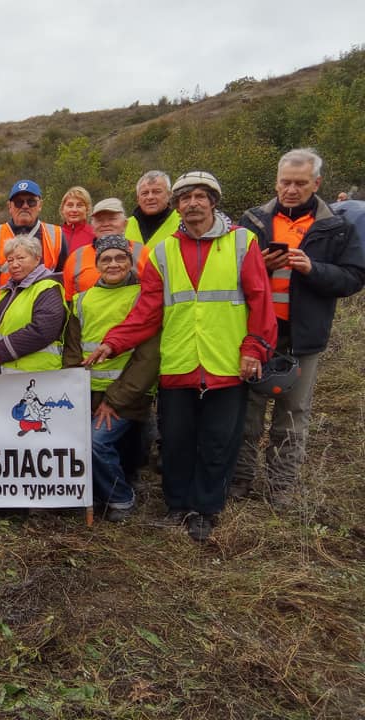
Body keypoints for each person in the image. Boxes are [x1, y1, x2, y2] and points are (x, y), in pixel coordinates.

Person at [87, 171, 276, 542]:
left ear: (213, 201)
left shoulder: (242, 242)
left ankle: (205, 510)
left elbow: (260, 300)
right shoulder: (163, 252)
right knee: (176, 441)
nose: (192, 203)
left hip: (225, 364)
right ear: (177, 206)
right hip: (178, 364)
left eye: (200, 197)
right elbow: (148, 310)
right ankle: (176, 506)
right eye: (185, 198)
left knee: (219, 442)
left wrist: (254, 348)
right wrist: (114, 342)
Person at [231, 149, 365, 503]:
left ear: (316, 184)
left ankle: (281, 488)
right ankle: (239, 481)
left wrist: (312, 269)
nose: (291, 189)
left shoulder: (337, 226)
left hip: (305, 336)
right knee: (246, 413)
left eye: (300, 183)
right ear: (276, 182)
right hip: (256, 334)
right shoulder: (252, 220)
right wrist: (257, 265)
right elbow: (229, 274)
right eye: (285, 182)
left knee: (292, 414)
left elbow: (353, 278)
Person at [63, 235, 160, 521]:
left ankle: (121, 498)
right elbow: (72, 351)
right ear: (97, 265)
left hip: (127, 395)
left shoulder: (144, 298)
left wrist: (114, 400)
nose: (113, 264)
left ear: (131, 262)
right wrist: (77, 394)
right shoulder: (81, 301)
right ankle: (94, 495)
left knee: (96, 442)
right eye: (106, 259)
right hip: (89, 394)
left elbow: (148, 358)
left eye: (120, 258)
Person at [0, 233, 66, 373]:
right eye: (10, 260)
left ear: (37, 259)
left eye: (21, 258)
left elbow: (44, 329)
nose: (14, 264)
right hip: (6, 374)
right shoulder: (4, 292)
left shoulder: (47, 287)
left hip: (37, 374)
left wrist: (0, 351)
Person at [0, 180, 66, 287]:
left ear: (40, 205)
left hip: (43, 301)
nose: (25, 206)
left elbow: (64, 277)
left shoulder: (56, 234)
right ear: (9, 206)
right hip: (2, 301)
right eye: (18, 202)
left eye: (31, 202)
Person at [63, 198, 148, 300]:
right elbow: (68, 301)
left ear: (125, 224)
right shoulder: (76, 257)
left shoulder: (144, 253)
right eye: (100, 220)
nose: (106, 224)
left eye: (112, 219)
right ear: (92, 226)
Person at [124, 171, 180, 249]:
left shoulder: (183, 224)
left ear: (169, 195)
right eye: (145, 193)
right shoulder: (124, 226)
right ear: (138, 199)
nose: (150, 197)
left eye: (156, 192)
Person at [59, 186, 96, 253]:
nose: (74, 210)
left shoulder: (95, 235)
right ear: (62, 209)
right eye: (70, 205)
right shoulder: (54, 235)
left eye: (79, 206)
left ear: (87, 209)